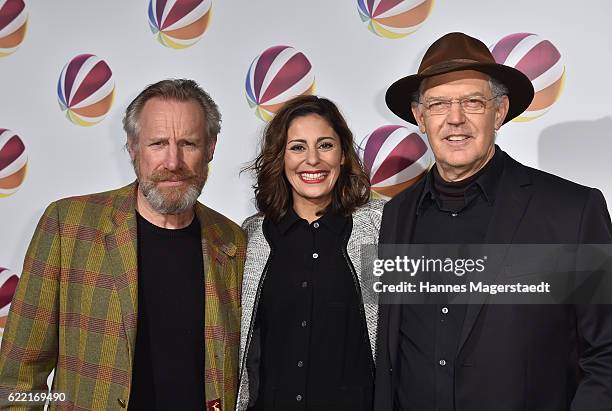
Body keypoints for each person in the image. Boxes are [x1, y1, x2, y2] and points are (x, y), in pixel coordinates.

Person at [375, 32, 612, 410]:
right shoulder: (396, 215)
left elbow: (606, 354)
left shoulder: (573, 211)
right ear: (420, 117)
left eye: (472, 102)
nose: (455, 119)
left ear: (499, 112)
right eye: (438, 104)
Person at [0, 79, 245, 410]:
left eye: (188, 143)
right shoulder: (68, 226)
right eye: (157, 143)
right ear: (132, 147)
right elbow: (18, 380)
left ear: (211, 147)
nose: (173, 162)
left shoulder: (234, 242)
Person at [236, 95, 383, 411]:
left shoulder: (378, 227)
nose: (312, 160)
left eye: (325, 145)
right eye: (298, 147)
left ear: (343, 154)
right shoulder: (252, 237)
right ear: (281, 157)